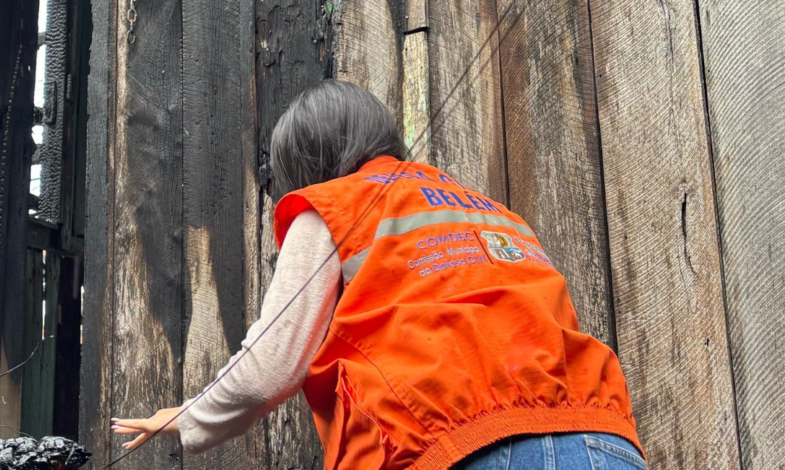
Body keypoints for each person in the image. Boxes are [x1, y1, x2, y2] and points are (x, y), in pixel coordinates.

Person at [113, 80, 644, 469]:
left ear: (306, 163)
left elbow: (268, 369)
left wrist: (188, 416)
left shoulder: (335, 205)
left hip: (459, 449)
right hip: (603, 441)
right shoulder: (494, 214)